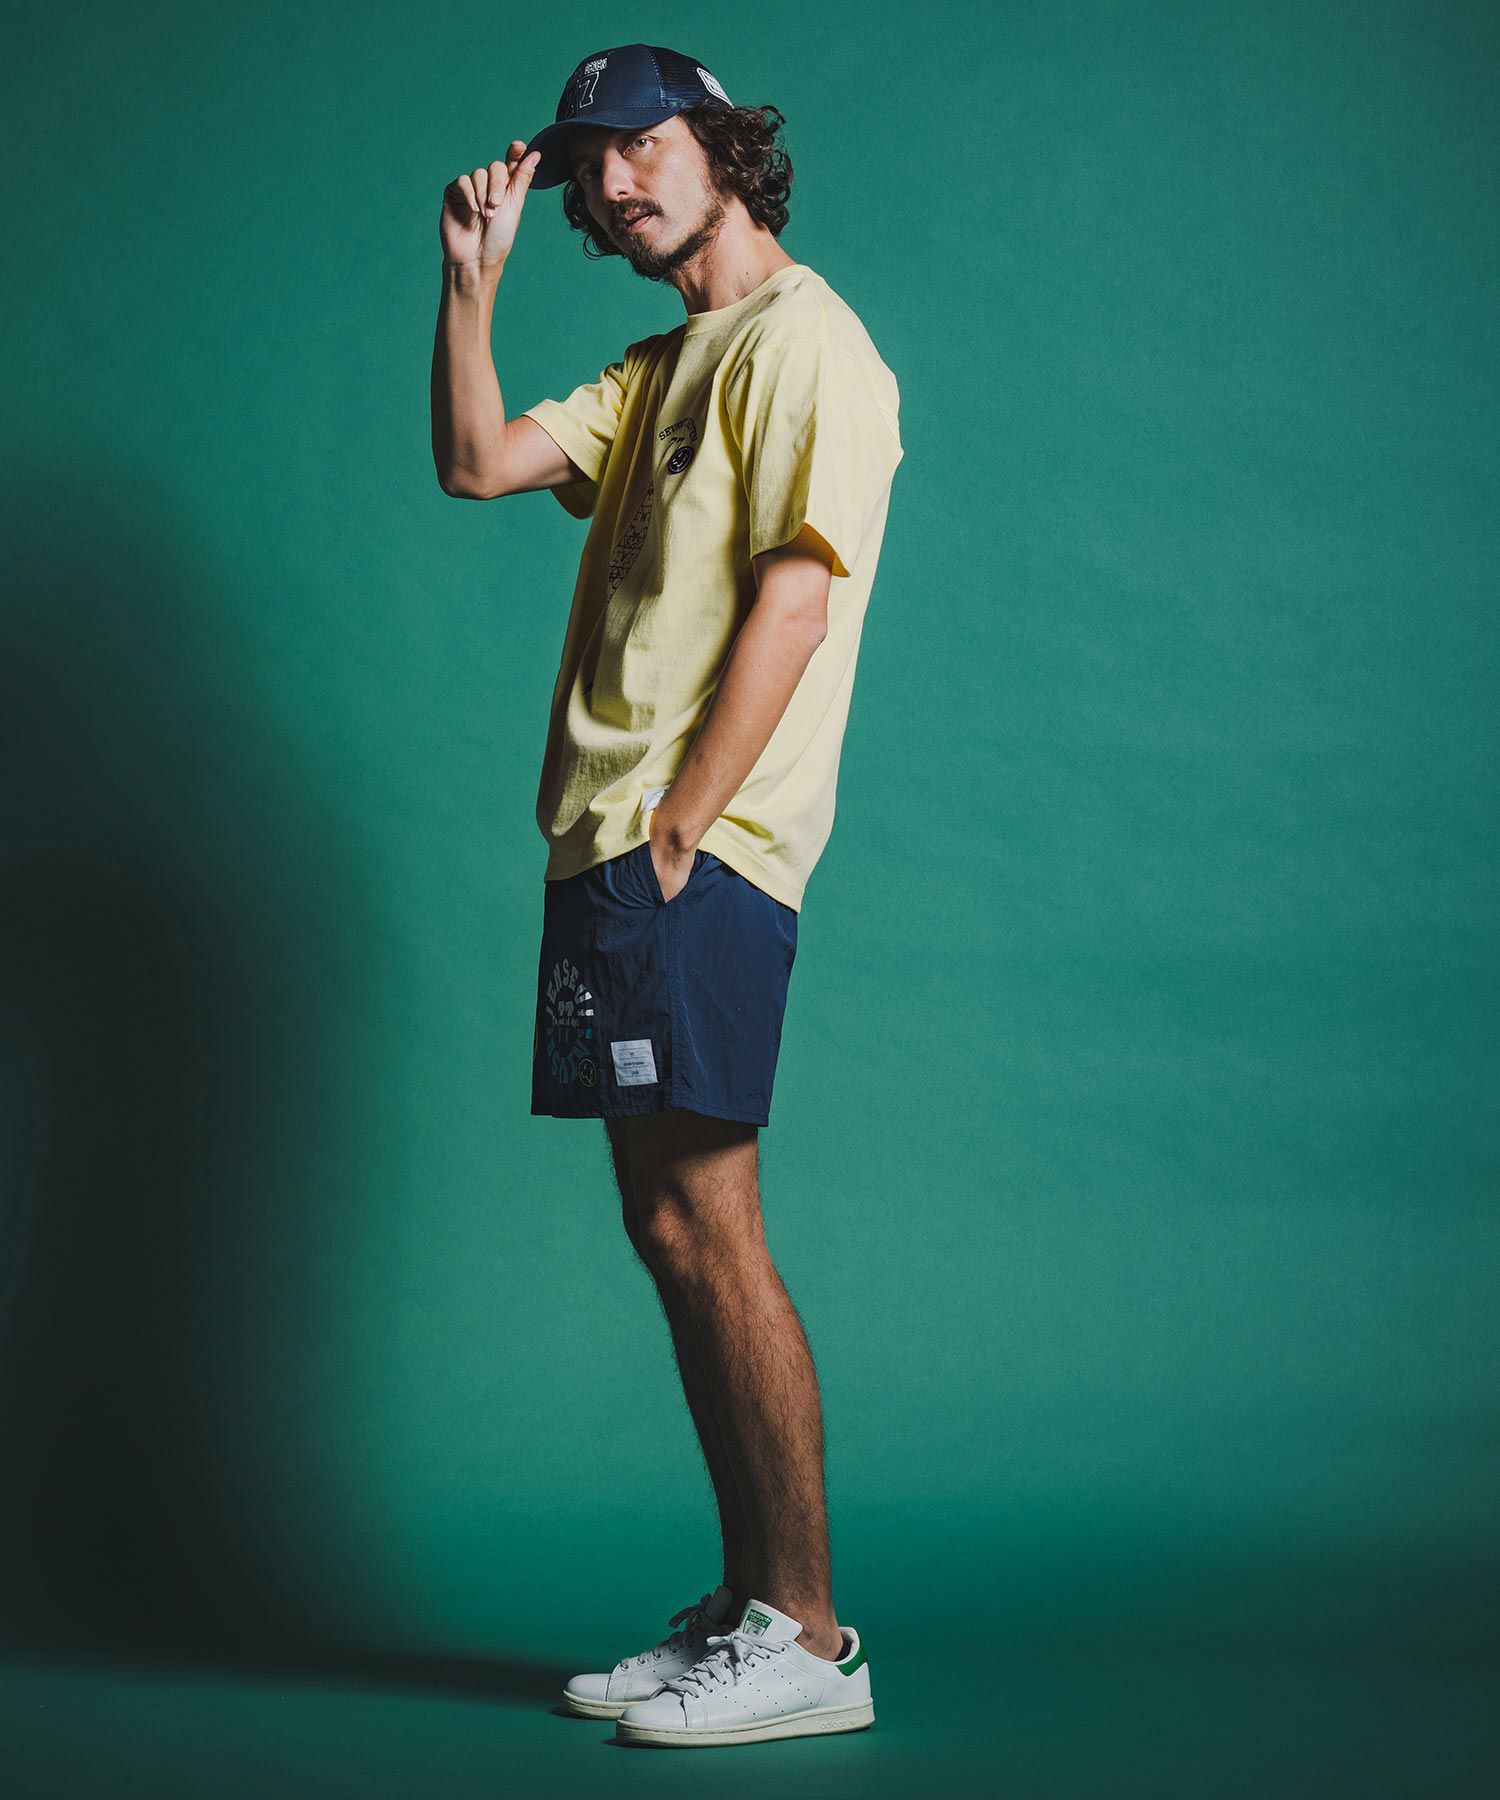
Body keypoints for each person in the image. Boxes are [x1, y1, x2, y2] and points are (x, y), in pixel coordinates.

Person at [431, 43, 902, 1750]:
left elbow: (796, 599)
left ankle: (811, 1639)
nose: (612, 183)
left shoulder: (806, 341)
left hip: (687, 850)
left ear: (719, 146)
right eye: (589, 167)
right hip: (611, 847)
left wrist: (688, 825)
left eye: (639, 146)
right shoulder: (661, 366)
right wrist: (471, 284)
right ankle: (754, 1601)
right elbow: (478, 461)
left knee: (710, 1224)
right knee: (667, 1230)